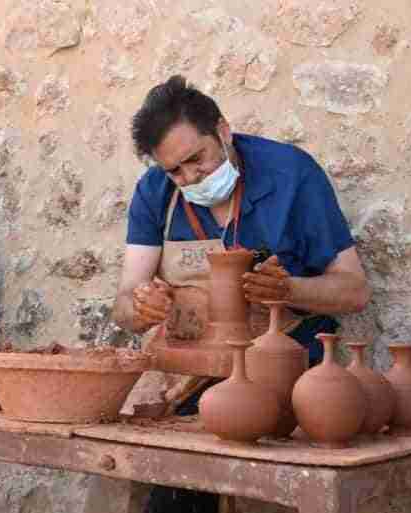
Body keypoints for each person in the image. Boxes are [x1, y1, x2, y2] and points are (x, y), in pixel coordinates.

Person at [112, 75, 371, 512]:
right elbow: (122, 304)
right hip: (185, 368)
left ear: (223, 131)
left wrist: (291, 288)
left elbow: (356, 289)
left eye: (198, 159)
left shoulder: (290, 175)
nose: (190, 177)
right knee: (161, 480)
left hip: (280, 365)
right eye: (175, 170)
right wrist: (141, 307)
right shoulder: (155, 193)